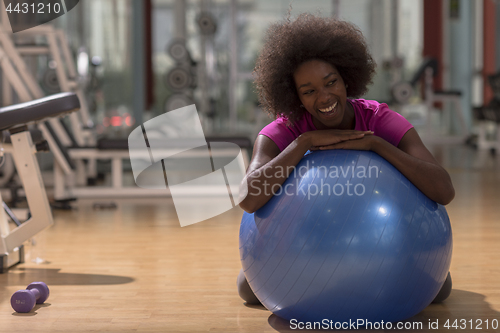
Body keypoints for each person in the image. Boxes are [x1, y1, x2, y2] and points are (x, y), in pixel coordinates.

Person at [236, 14, 454, 306]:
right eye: (309, 91)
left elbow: (444, 190)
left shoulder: (379, 120)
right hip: (298, 246)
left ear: (346, 79)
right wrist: (305, 142)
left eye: (331, 82)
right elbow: (249, 199)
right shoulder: (282, 131)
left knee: (439, 289)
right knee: (248, 290)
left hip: (384, 243)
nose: (325, 97)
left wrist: (376, 145)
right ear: (295, 97)